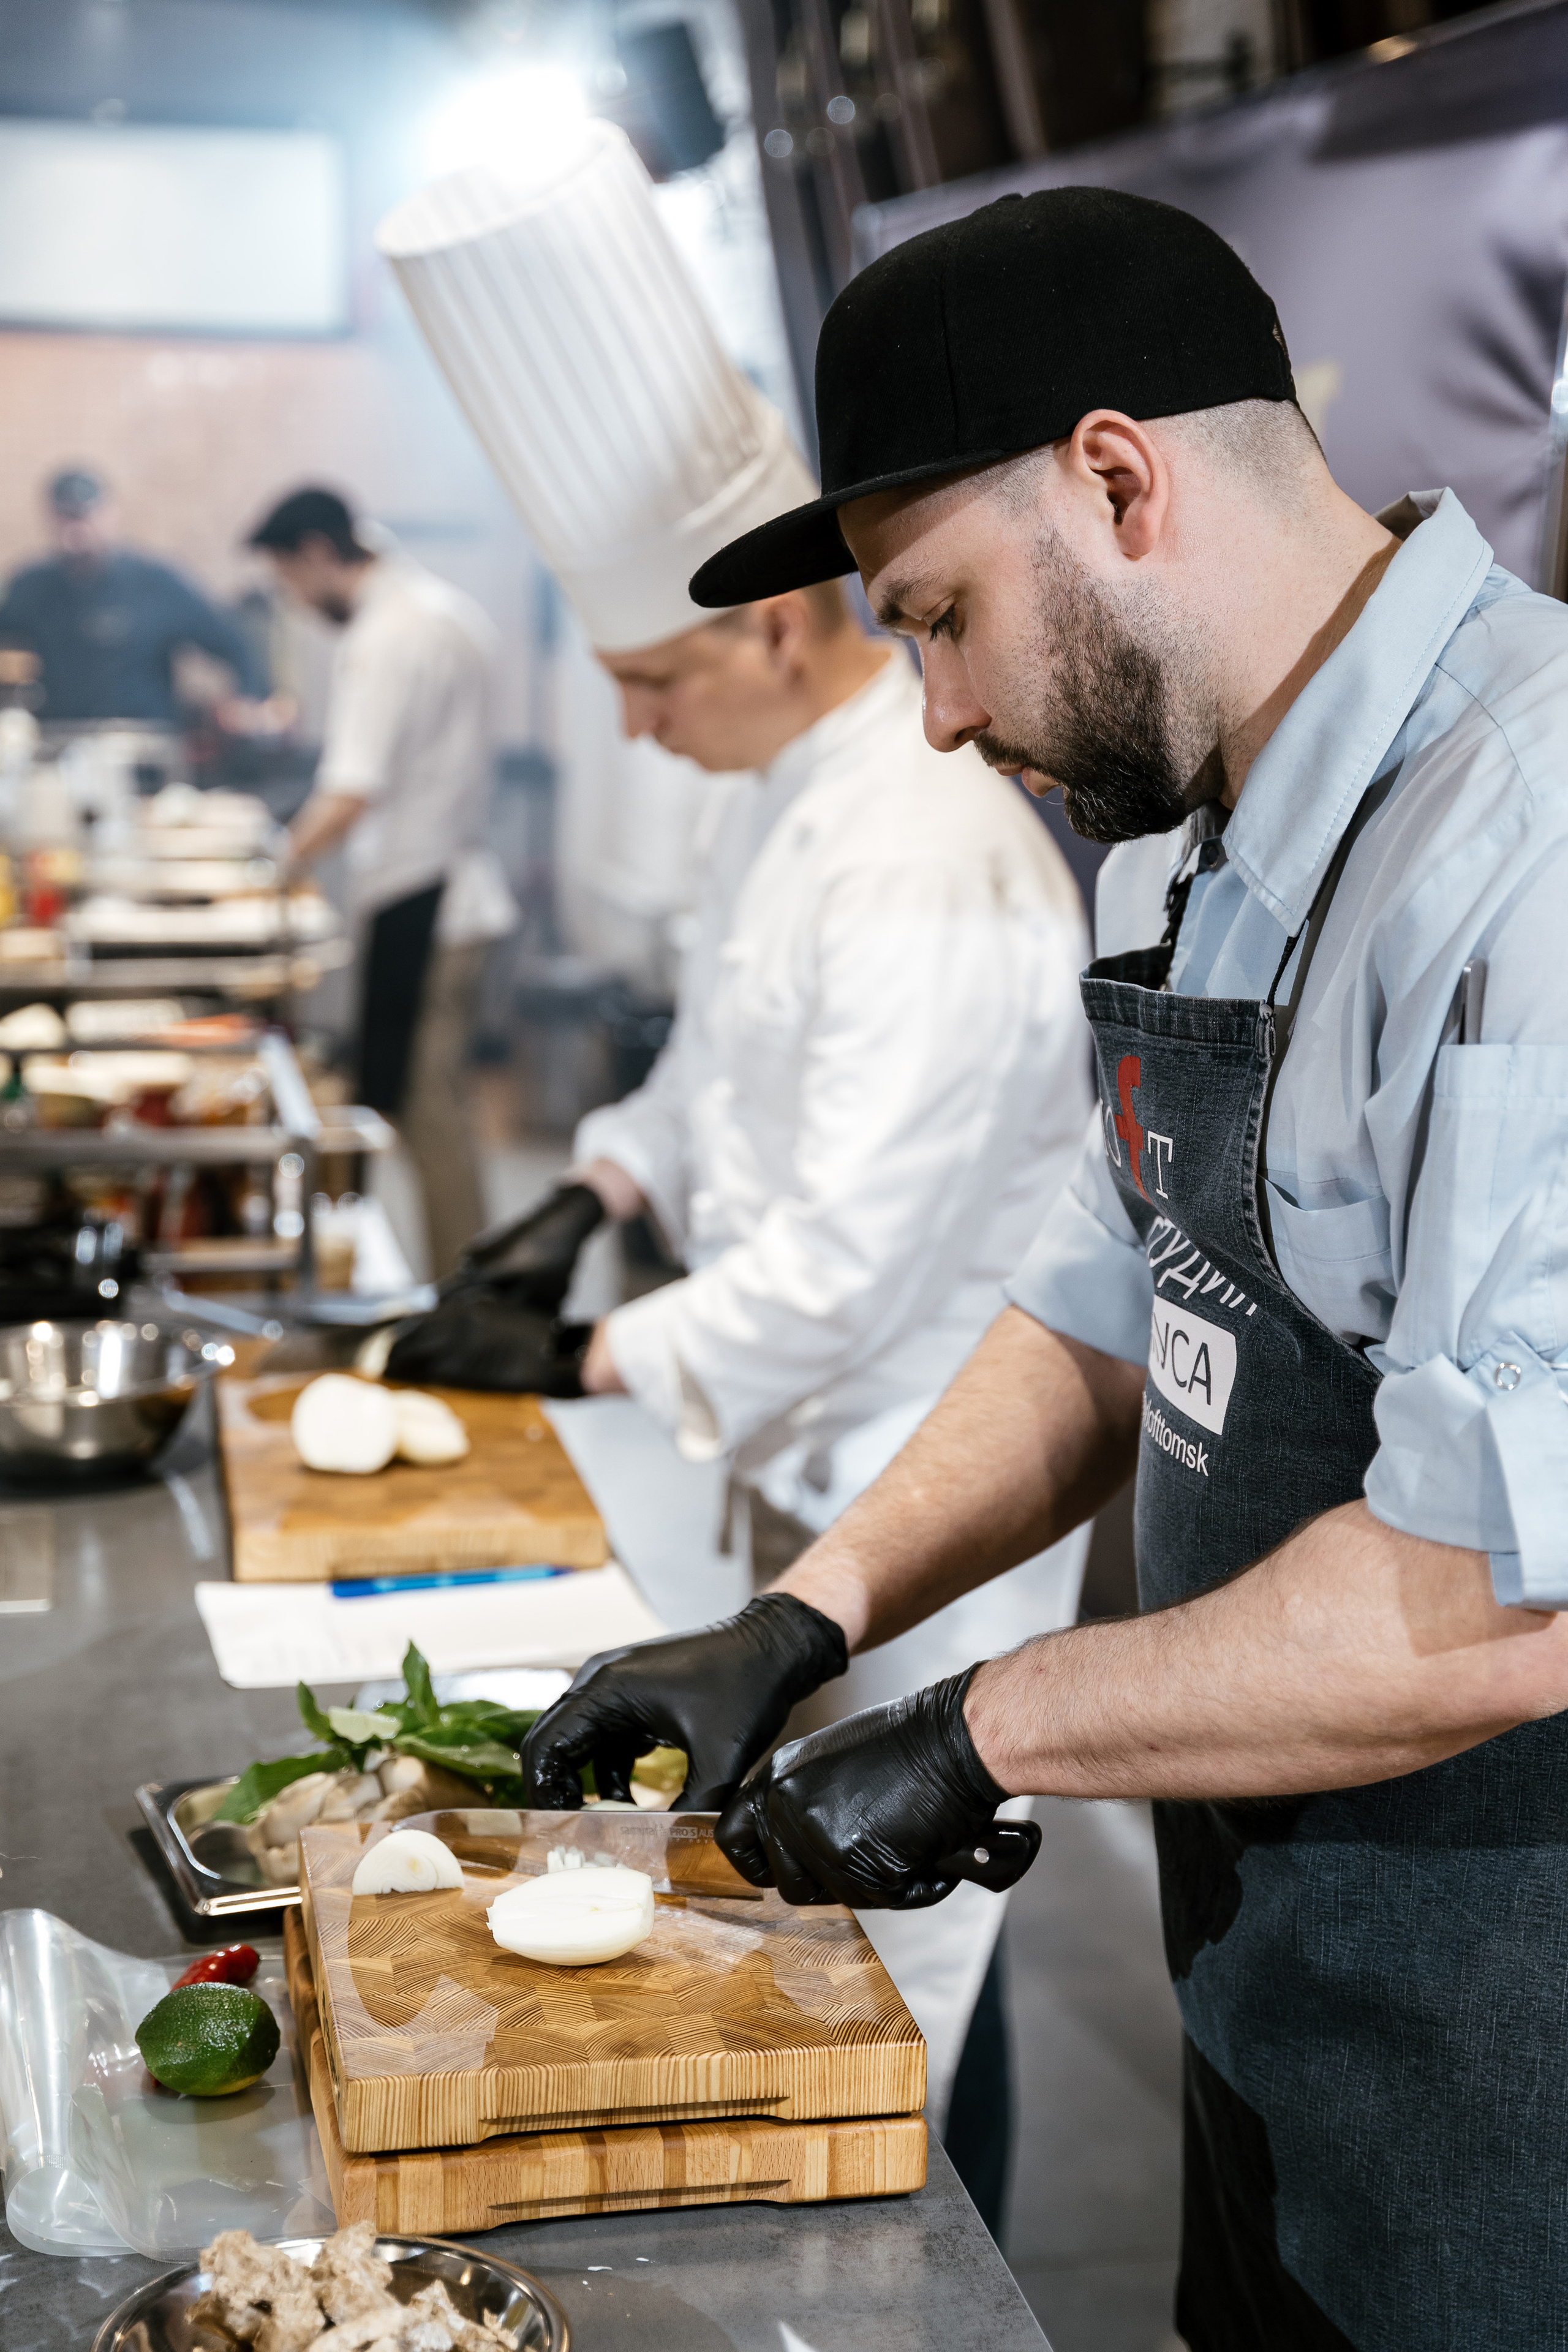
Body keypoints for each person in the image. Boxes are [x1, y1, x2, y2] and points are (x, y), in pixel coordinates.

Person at [521, 185, 1568, 2348]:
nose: (923, 712)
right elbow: (1112, 1298)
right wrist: (812, 1616)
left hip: (1517, 2025)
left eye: (934, 617)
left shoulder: (1527, 839)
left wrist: (989, 1728)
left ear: (1116, 476)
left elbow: (1501, 1594)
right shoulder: (1187, 836)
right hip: (1282, 1977)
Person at [374, 124, 1095, 2218]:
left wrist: (573, 1371)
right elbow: (709, 1079)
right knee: (810, 1938)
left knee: (904, 1954)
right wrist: (587, 1203)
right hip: (789, 1473)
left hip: (915, 1479)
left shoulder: (933, 849)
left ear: (784, 631)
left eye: (652, 682)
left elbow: (852, 1264)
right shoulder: (777, 795)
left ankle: (951, 2266)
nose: (629, 731)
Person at [246, 486, 516, 1276]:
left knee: (427, 1113)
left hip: (424, 896)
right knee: (424, 1106)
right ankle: (462, 1284)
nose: (297, 601)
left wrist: (272, 865)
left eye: (291, 582)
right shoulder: (445, 612)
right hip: (451, 884)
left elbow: (350, 792)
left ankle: (469, 1294)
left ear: (317, 555)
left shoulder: (387, 634)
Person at [0, 467, 272, 727]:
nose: (76, 531)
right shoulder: (30, 587)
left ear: (109, 514)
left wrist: (247, 700)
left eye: (85, 516)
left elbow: (233, 641)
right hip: (58, 741)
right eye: (66, 518)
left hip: (143, 744)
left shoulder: (156, 583)